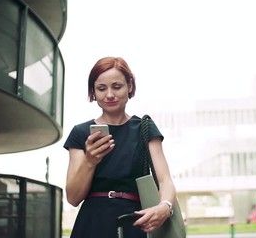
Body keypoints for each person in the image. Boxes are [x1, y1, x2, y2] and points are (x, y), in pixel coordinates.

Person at [63, 56, 177, 237]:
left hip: (135, 220)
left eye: (117, 86)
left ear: (130, 86)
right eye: (101, 88)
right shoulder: (80, 133)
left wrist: (165, 207)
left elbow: (165, 180)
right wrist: (90, 161)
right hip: (92, 222)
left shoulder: (144, 128)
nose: (109, 94)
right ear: (93, 92)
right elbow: (73, 198)